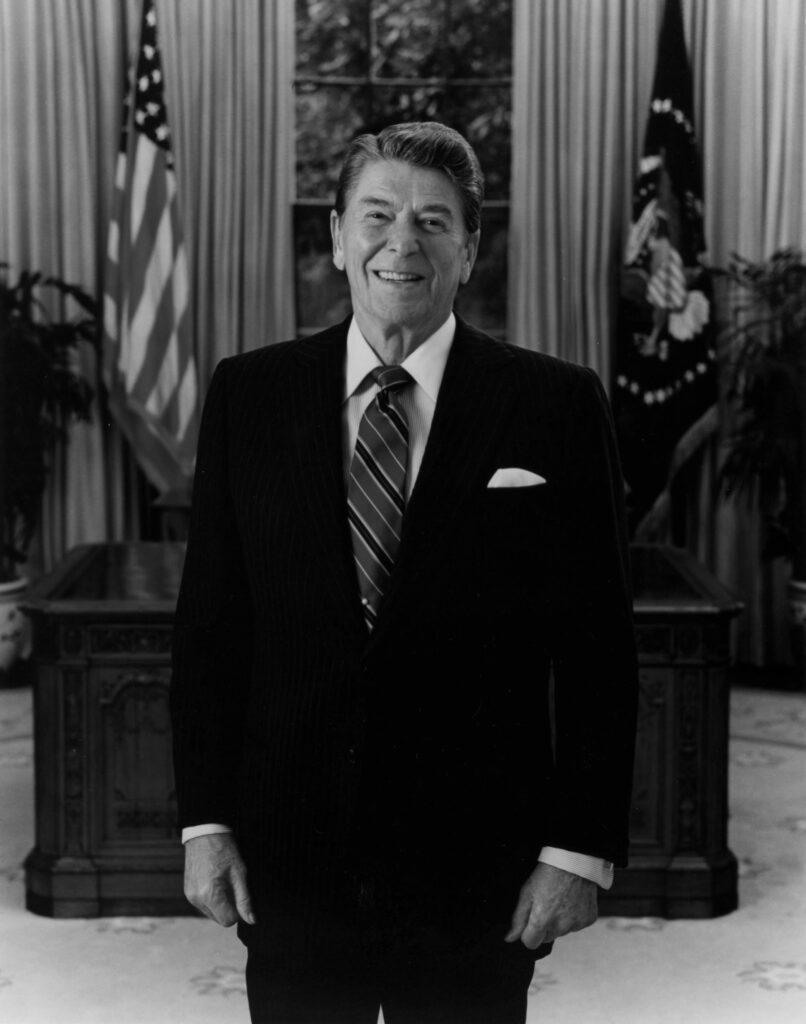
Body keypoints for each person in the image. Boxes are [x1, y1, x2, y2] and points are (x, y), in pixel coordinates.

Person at [170, 121, 638, 1024]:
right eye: (377, 215)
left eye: (432, 221)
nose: (401, 243)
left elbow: (597, 651)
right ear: (337, 235)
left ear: (471, 247)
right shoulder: (249, 394)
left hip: (478, 863)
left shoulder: (555, 402)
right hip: (292, 856)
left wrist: (577, 850)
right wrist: (207, 823)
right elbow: (211, 634)